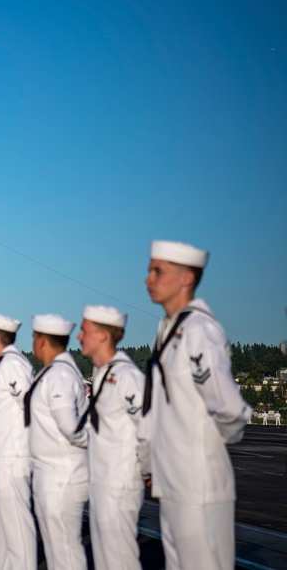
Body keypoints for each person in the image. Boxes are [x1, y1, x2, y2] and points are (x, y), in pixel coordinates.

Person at [143, 240, 252, 570]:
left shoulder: (199, 331)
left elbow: (230, 410)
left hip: (198, 486)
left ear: (186, 278)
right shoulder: (168, 331)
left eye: (157, 271)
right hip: (173, 484)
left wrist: (201, 449)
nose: (148, 279)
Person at [77, 305, 147, 570]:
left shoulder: (127, 377)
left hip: (119, 483)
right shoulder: (104, 377)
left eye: (84, 331)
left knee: (120, 560)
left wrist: (145, 469)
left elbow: (148, 428)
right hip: (101, 482)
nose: (79, 337)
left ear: (103, 336)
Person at [26, 314, 88, 570]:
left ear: (42, 341)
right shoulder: (53, 372)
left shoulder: (59, 375)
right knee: (57, 549)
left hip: (61, 475)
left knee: (64, 550)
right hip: (51, 473)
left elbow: (71, 427)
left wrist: (99, 443)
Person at [0, 312, 36, 570]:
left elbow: (29, 408)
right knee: (4, 528)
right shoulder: (0, 365)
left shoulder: (14, 366)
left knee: (17, 529)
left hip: (13, 456)